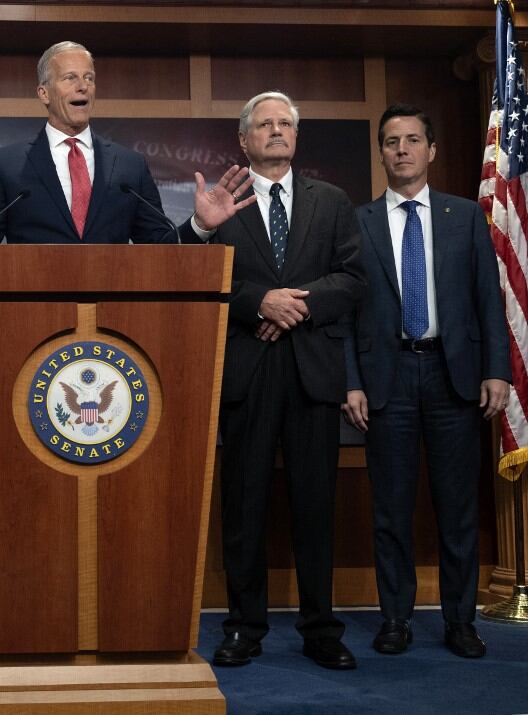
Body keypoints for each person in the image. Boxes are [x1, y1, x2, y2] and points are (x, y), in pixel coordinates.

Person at [187, 91, 365, 669]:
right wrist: (256, 302)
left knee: (316, 506)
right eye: (264, 124)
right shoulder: (223, 203)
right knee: (244, 505)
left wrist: (295, 305)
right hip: (247, 372)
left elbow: (354, 278)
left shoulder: (332, 201)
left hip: (313, 371)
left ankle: (321, 629)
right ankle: (243, 626)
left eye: (285, 123)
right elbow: (195, 276)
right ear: (243, 140)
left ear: (296, 135)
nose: (276, 131)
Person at [341, 104, 510, 659]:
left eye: (413, 140)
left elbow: (490, 298)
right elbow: (345, 311)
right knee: (390, 509)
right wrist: (352, 381)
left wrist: (497, 370)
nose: (402, 150)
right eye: (392, 142)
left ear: (431, 150)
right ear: (382, 152)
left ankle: (460, 622)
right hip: (385, 378)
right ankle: (396, 618)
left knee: (456, 508)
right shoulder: (358, 222)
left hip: (453, 376)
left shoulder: (465, 217)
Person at [0, 41, 183, 244]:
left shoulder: (129, 166)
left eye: (89, 78)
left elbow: (164, 248)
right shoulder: (6, 165)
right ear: (44, 93)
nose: (83, 86)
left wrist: (200, 225)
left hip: (114, 316)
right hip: (37, 317)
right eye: (70, 78)